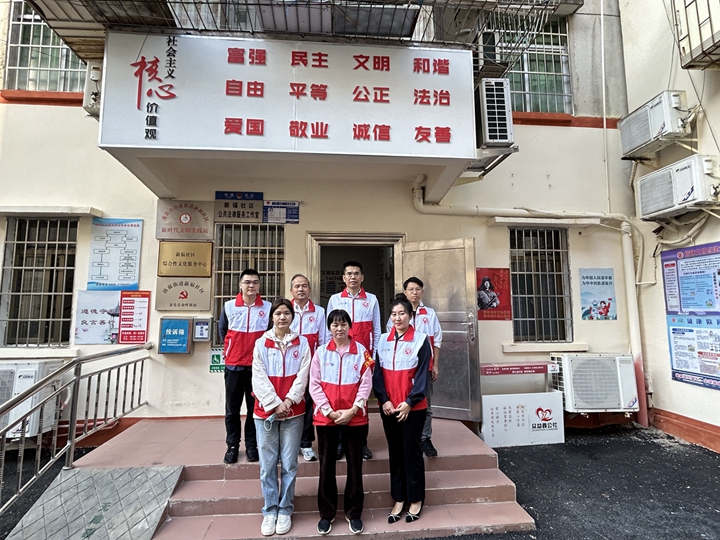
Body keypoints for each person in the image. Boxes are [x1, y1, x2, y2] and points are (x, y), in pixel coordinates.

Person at [309, 309, 374, 535]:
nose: (339, 328)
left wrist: (353, 409)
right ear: (329, 328)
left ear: (350, 326)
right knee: (326, 466)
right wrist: (328, 411)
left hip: (355, 417)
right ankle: (326, 514)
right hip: (326, 419)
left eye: (343, 324)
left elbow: (366, 383)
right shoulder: (320, 353)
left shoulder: (362, 351)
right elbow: (314, 384)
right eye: (335, 325)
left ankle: (353, 513)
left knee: (355, 466)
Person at [252, 298, 311, 536]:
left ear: (292, 317)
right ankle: (270, 510)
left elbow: (303, 375)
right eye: (278, 313)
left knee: (289, 464)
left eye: (287, 313)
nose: (282, 317)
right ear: (272, 317)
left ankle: (285, 509)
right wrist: (275, 404)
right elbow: (258, 376)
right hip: (265, 412)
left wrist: (289, 401)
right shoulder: (261, 343)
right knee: (267, 466)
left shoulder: (302, 342)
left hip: (294, 412)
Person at [374, 293, 431, 524]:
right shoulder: (382, 340)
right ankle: (398, 498)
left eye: (402, 313)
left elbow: (423, 376)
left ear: (410, 316)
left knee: (411, 452)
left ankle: (415, 498)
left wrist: (409, 402)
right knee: (395, 452)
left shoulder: (421, 340)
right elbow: (378, 374)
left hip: (412, 409)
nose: (397, 318)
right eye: (394, 314)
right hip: (388, 408)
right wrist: (384, 400)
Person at [327, 261, 380, 460]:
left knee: (361, 399)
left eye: (356, 273)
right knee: (340, 397)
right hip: (340, 356)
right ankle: (341, 442)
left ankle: (361, 443)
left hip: (362, 358)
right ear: (343, 277)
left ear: (362, 277)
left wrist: (373, 358)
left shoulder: (372, 299)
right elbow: (329, 330)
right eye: (349, 274)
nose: (353, 277)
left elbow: (376, 330)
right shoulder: (335, 299)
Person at [218, 268, 271, 464]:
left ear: (259, 285)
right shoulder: (229, 306)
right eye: (247, 282)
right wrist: (232, 349)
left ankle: (251, 445)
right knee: (232, 409)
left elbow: (270, 334)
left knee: (253, 409)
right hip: (234, 365)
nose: (251, 285)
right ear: (240, 285)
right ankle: (232, 445)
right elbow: (223, 331)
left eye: (255, 282)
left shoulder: (267, 308)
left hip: (257, 368)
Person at [387, 277, 442, 457]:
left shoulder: (430, 313)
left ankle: (425, 438)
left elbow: (437, 340)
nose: (414, 292)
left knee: (426, 404)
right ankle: (408, 434)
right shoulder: (397, 314)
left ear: (422, 292)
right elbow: (390, 340)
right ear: (405, 292)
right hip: (403, 368)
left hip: (425, 367)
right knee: (403, 401)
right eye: (411, 289)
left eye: (418, 289)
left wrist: (435, 365)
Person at [289, 273, 330, 462]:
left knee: (307, 405)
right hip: (288, 368)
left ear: (310, 289)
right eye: (297, 286)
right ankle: (288, 444)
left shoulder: (319, 312)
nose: (301, 289)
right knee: (289, 403)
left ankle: (305, 443)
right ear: (291, 290)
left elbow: (323, 341)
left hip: (310, 367)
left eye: (304, 286)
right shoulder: (286, 310)